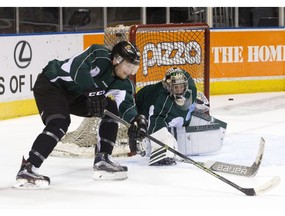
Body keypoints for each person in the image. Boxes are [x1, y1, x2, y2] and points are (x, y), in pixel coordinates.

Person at [14, 41, 148, 189]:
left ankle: (103, 159)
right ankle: (28, 168)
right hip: (52, 85)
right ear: (116, 59)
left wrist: (137, 121)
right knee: (60, 123)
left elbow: (127, 107)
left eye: (134, 68)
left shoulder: (123, 84)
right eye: (129, 66)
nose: (131, 71)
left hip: (78, 95)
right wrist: (91, 89)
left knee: (110, 107)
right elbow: (77, 68)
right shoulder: (99, 55)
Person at [133, 67, 226, 166]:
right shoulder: (163, 100)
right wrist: (163, 147)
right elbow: (155, 122)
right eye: (175, 87)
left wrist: (175, 71)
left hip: (167, 104)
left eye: (181, 87)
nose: (179, 90)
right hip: (141, 103)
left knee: (181, 117)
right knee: (153, 125)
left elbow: (184, 73)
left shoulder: (191, 89)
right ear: (168, 87)